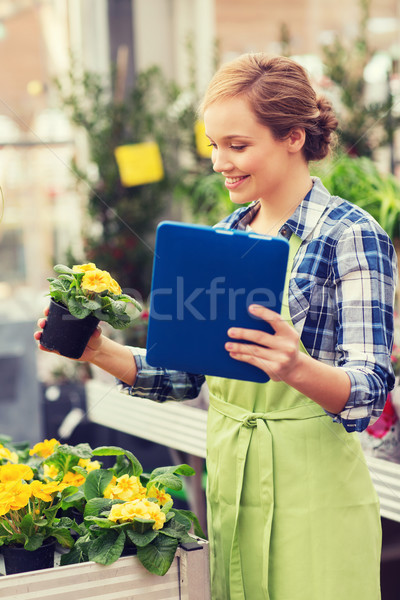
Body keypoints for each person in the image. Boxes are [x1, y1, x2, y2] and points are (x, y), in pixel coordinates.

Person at [36, 53, 397, 600]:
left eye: (237, 145)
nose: (218, 162)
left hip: (316, 491)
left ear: (294, 136)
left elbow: (369, 390)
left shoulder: (351, 235)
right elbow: (185, 374)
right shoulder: (225, 233)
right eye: (213, 145)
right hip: (232, 478)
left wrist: (297, 367)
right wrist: (98, 349)